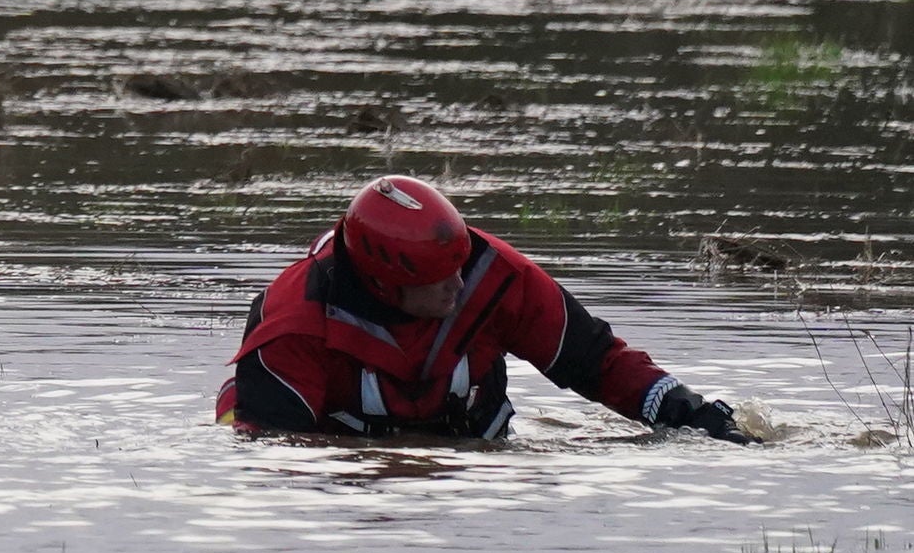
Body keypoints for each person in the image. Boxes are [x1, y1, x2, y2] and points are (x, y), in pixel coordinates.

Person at [220, 174, 753, 442]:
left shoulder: (492, 274)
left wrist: (692, 413)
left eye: (460, 263)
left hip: (471, 453)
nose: (459, 285)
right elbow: (277, 455)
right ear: (386, 285)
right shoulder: (294, 325)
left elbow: (598, 362)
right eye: (438, 277)